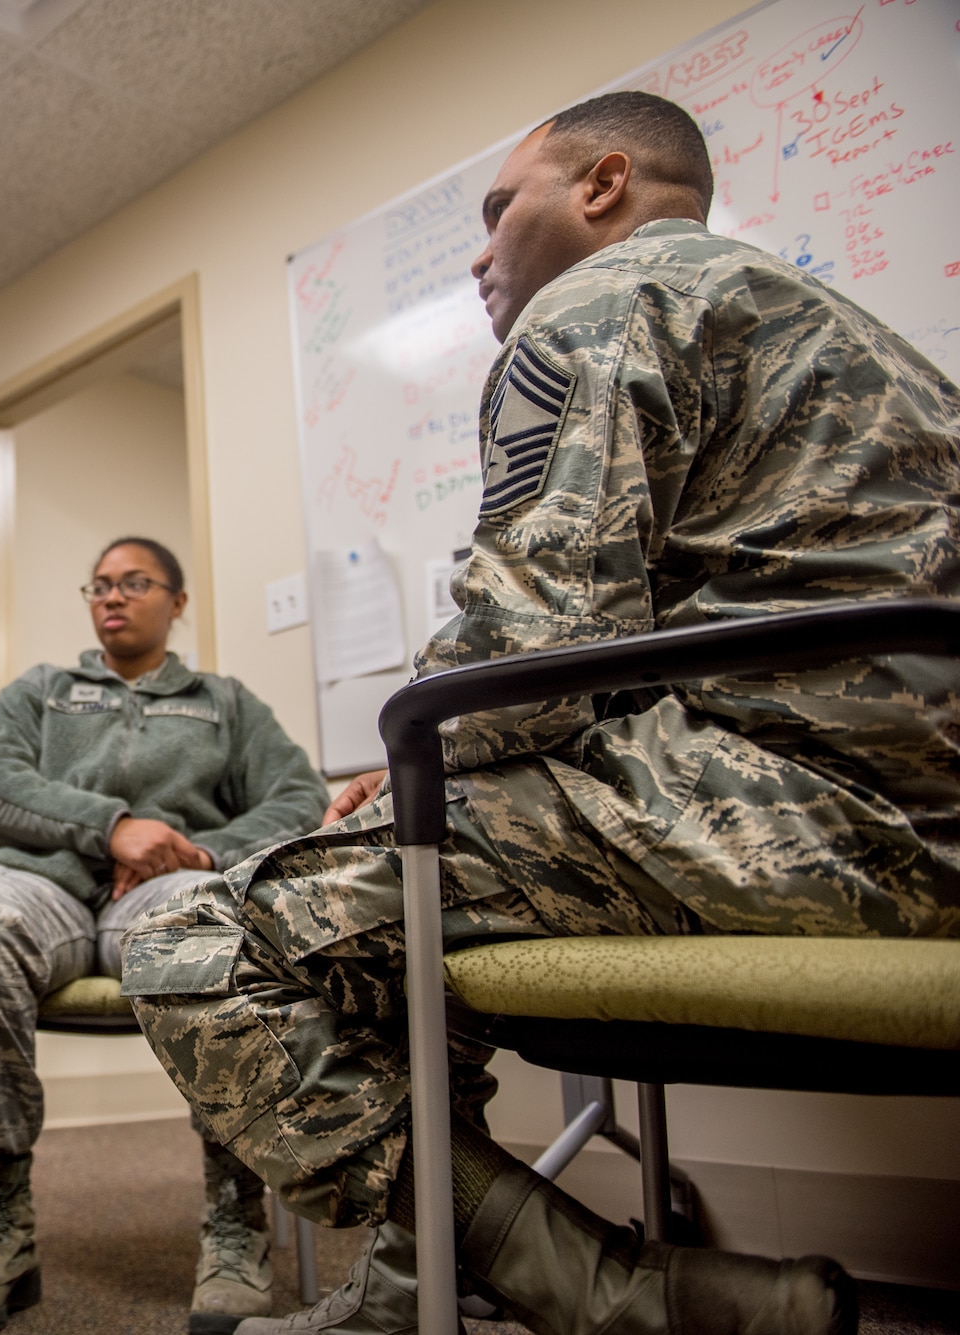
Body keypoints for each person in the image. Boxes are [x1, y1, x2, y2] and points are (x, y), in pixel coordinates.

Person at [122, 90, 959, 1335]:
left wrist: (410, 761)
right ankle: (414, 1295)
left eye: (495, 208)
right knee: (383, 900)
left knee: (183, 936)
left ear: (602, 187)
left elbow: (535, 646)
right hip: (906, 825)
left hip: (781, 819)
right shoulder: (853, 335)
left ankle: (627, 1299)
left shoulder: (603, 301)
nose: (476, 250)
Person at [0, 536, 328, 1334]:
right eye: (99, 584)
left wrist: (200, 851)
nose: (112, 596)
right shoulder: (42, 690)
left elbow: (298, 798)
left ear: (176, 601)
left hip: (167, 890)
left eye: (135, 582)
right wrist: (114, 828)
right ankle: (2, 1223)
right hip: (44, 883)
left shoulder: (224, 701)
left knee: (212, 925)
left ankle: (236, 1219)